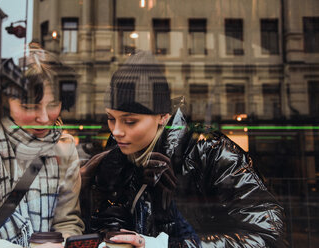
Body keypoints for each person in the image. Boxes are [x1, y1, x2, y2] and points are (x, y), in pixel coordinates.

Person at [78, 50, 288, 247]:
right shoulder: (119, 155)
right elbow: (109, 219)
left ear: (163, 116)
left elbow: (268, 237)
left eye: (130, 121)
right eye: (110, 119)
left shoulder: (210, 152)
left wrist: (168, 245)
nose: (116, 131)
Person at [0, 48, 84, 248]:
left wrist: (62, 243)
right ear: (1, 101)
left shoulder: (63, 148)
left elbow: (67, 222)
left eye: (54, 104)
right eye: (29, 106)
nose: (45, 118)